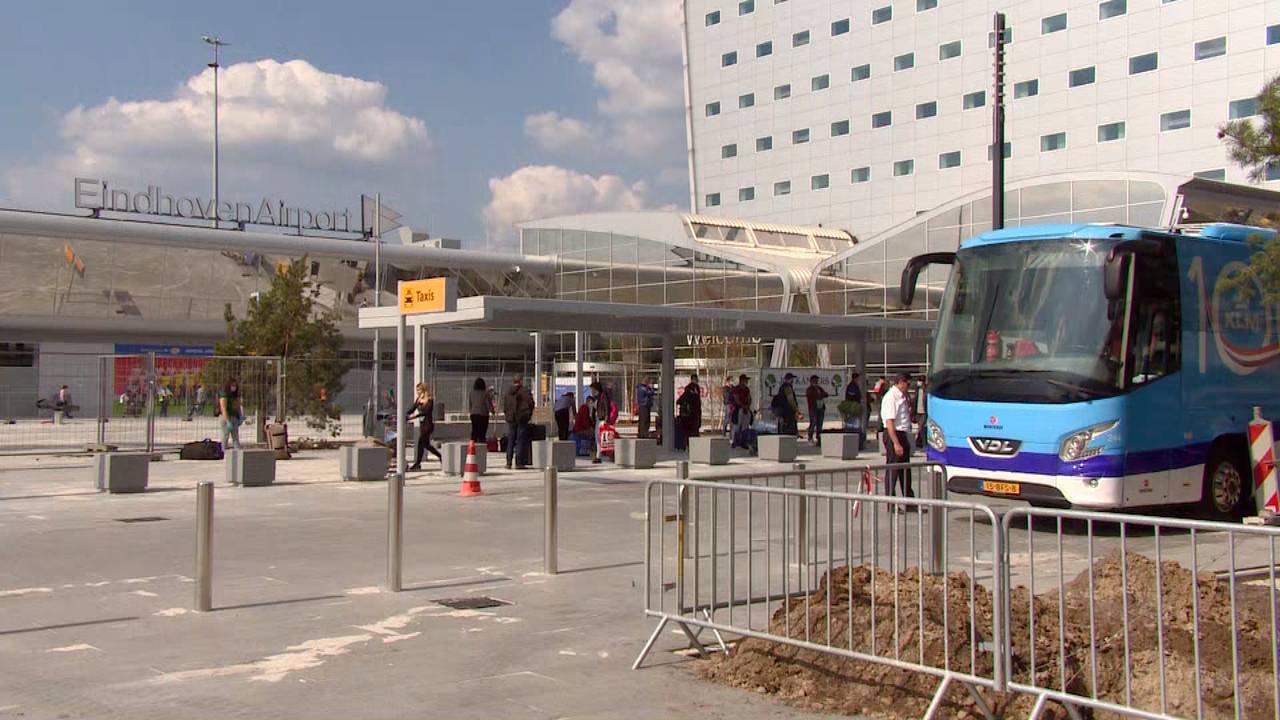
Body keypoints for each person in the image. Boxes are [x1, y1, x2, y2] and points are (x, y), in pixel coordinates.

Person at [880, 373, 914, 501]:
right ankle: (891, 501)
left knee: (905, 470)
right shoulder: (891, 397)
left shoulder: (902, 396)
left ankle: (909, 500)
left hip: (902, 433)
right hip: (894, 434)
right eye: (908, 384)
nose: (908, 387)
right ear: (901, 382)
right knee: (893, 469)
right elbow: (889, 422)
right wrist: (896, 443)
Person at [502, 376, 534, 469]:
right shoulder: (525, 391)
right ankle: (519, 463)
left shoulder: (508, 392)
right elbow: (531, 403)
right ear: (521, 381)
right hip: (522, 418)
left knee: (511, 440)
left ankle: (508, 462)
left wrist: (508, 415)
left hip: (511, 418)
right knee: (520, 440)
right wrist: (529, 414)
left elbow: (505, 406)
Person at [408, 383, 442, 470]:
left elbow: (426, 412)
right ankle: (440, 456)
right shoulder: (418, 400)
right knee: (426, 445)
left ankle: (418, 463)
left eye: (419, 390)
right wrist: (405, 414)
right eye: (417, 390)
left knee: (421, 442)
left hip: (428, 425)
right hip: (422, 425)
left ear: (423, 390)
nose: (417, 392)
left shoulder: (429, 400)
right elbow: (412, 409)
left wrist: (414, 417)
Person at [676, 374, 702, 451]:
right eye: (696, 379)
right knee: (691, 430)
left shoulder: (697, 388)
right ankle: (689, 445)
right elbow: (685, 399)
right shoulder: (689, 388)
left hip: (695, 411)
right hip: (690, 413)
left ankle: (694, 445)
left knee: (695, 428)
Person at [591, 381, 612, 464]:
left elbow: (607, 407)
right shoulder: (597, 397)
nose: (592, 391)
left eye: (593, 389)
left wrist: (606, 419)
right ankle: (598, 455)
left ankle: (600, 456)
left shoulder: (603, 396)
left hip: (602, 419)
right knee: (598, 438)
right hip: (598, 419)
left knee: (601, 438)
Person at [219, 377, 244, 450]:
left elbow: (238, 406)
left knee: (235, 436)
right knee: (225, 436)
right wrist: (227, 421)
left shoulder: (235, 395)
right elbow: (223, 409)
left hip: (234, 417)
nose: (234, 387)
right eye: (232, 385)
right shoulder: (224, 394)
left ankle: (238, 452)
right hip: (226, 417)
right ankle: (222, 451)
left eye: (235, 385)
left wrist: (240, 416)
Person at [805, 375, 829, 446]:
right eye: (815, 380)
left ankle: (819, 439)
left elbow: (825, 394)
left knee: (820, 424)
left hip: (820, 408)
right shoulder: (809, 389)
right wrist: (821, 395)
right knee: (813, 423)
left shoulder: (819, 388)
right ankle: (810, 438)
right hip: (813, 408)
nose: (816, 381)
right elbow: (814, 395)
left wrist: (822, 394)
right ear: (811, 381)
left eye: (817, 380)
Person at [730, 375, 753, 447]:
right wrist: (743, 406)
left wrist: (748, 406)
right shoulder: (736, 389)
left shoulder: (746, 389)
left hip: (746, 409)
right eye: (745, 380)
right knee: (736, 426)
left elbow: (749, 398)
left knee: (745, 426)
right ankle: (734, 441)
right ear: (741, 380)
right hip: (738, 409)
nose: (746, 382)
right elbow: (736, 399)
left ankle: (743, 442)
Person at [468, 377, 493, 443]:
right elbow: (488, 404)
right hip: (483, 414)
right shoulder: (485, 393)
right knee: (482, 432)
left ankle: (473, 445)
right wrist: (492, 410)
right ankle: (481, 445)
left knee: (474, 431)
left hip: (473, 414)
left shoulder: (471, 393)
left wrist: (471, 412)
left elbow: (470, 404)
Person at [914, 377, 929, 447]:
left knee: (921, 427)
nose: (919, 382)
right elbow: (915, 401)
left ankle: (922, 442)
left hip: (924, 412)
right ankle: (920, 442)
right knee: (920, 427)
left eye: (920, 381)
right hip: (918, 411)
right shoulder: (917, 390)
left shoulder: (926, 390)